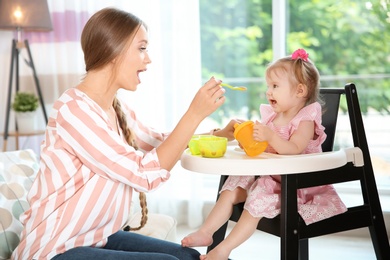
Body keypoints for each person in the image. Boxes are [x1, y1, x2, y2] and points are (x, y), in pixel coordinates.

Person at [11, 7, 238, 260]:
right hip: (56, 249)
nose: (148, 58)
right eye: (142, 48)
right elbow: (143, 174)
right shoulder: (73, 111)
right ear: (113, 51)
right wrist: (194, 113)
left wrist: (220, 135)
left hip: (95, 238)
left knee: (188, 257)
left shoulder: (116, 109)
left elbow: (160, 142)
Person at [181, 49, 348, 260]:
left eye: (275, 86)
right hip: (270, 177)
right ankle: (206, 232)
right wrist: (249, 142)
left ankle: (224, 249)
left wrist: (270, 137)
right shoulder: (272, 117)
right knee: (232, 186)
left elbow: (294, 149)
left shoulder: (305, 120)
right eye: (268, 86)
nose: (269, 92)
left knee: (258, 196)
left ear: (300, 91)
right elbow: (265, 149)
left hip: (295, 186)